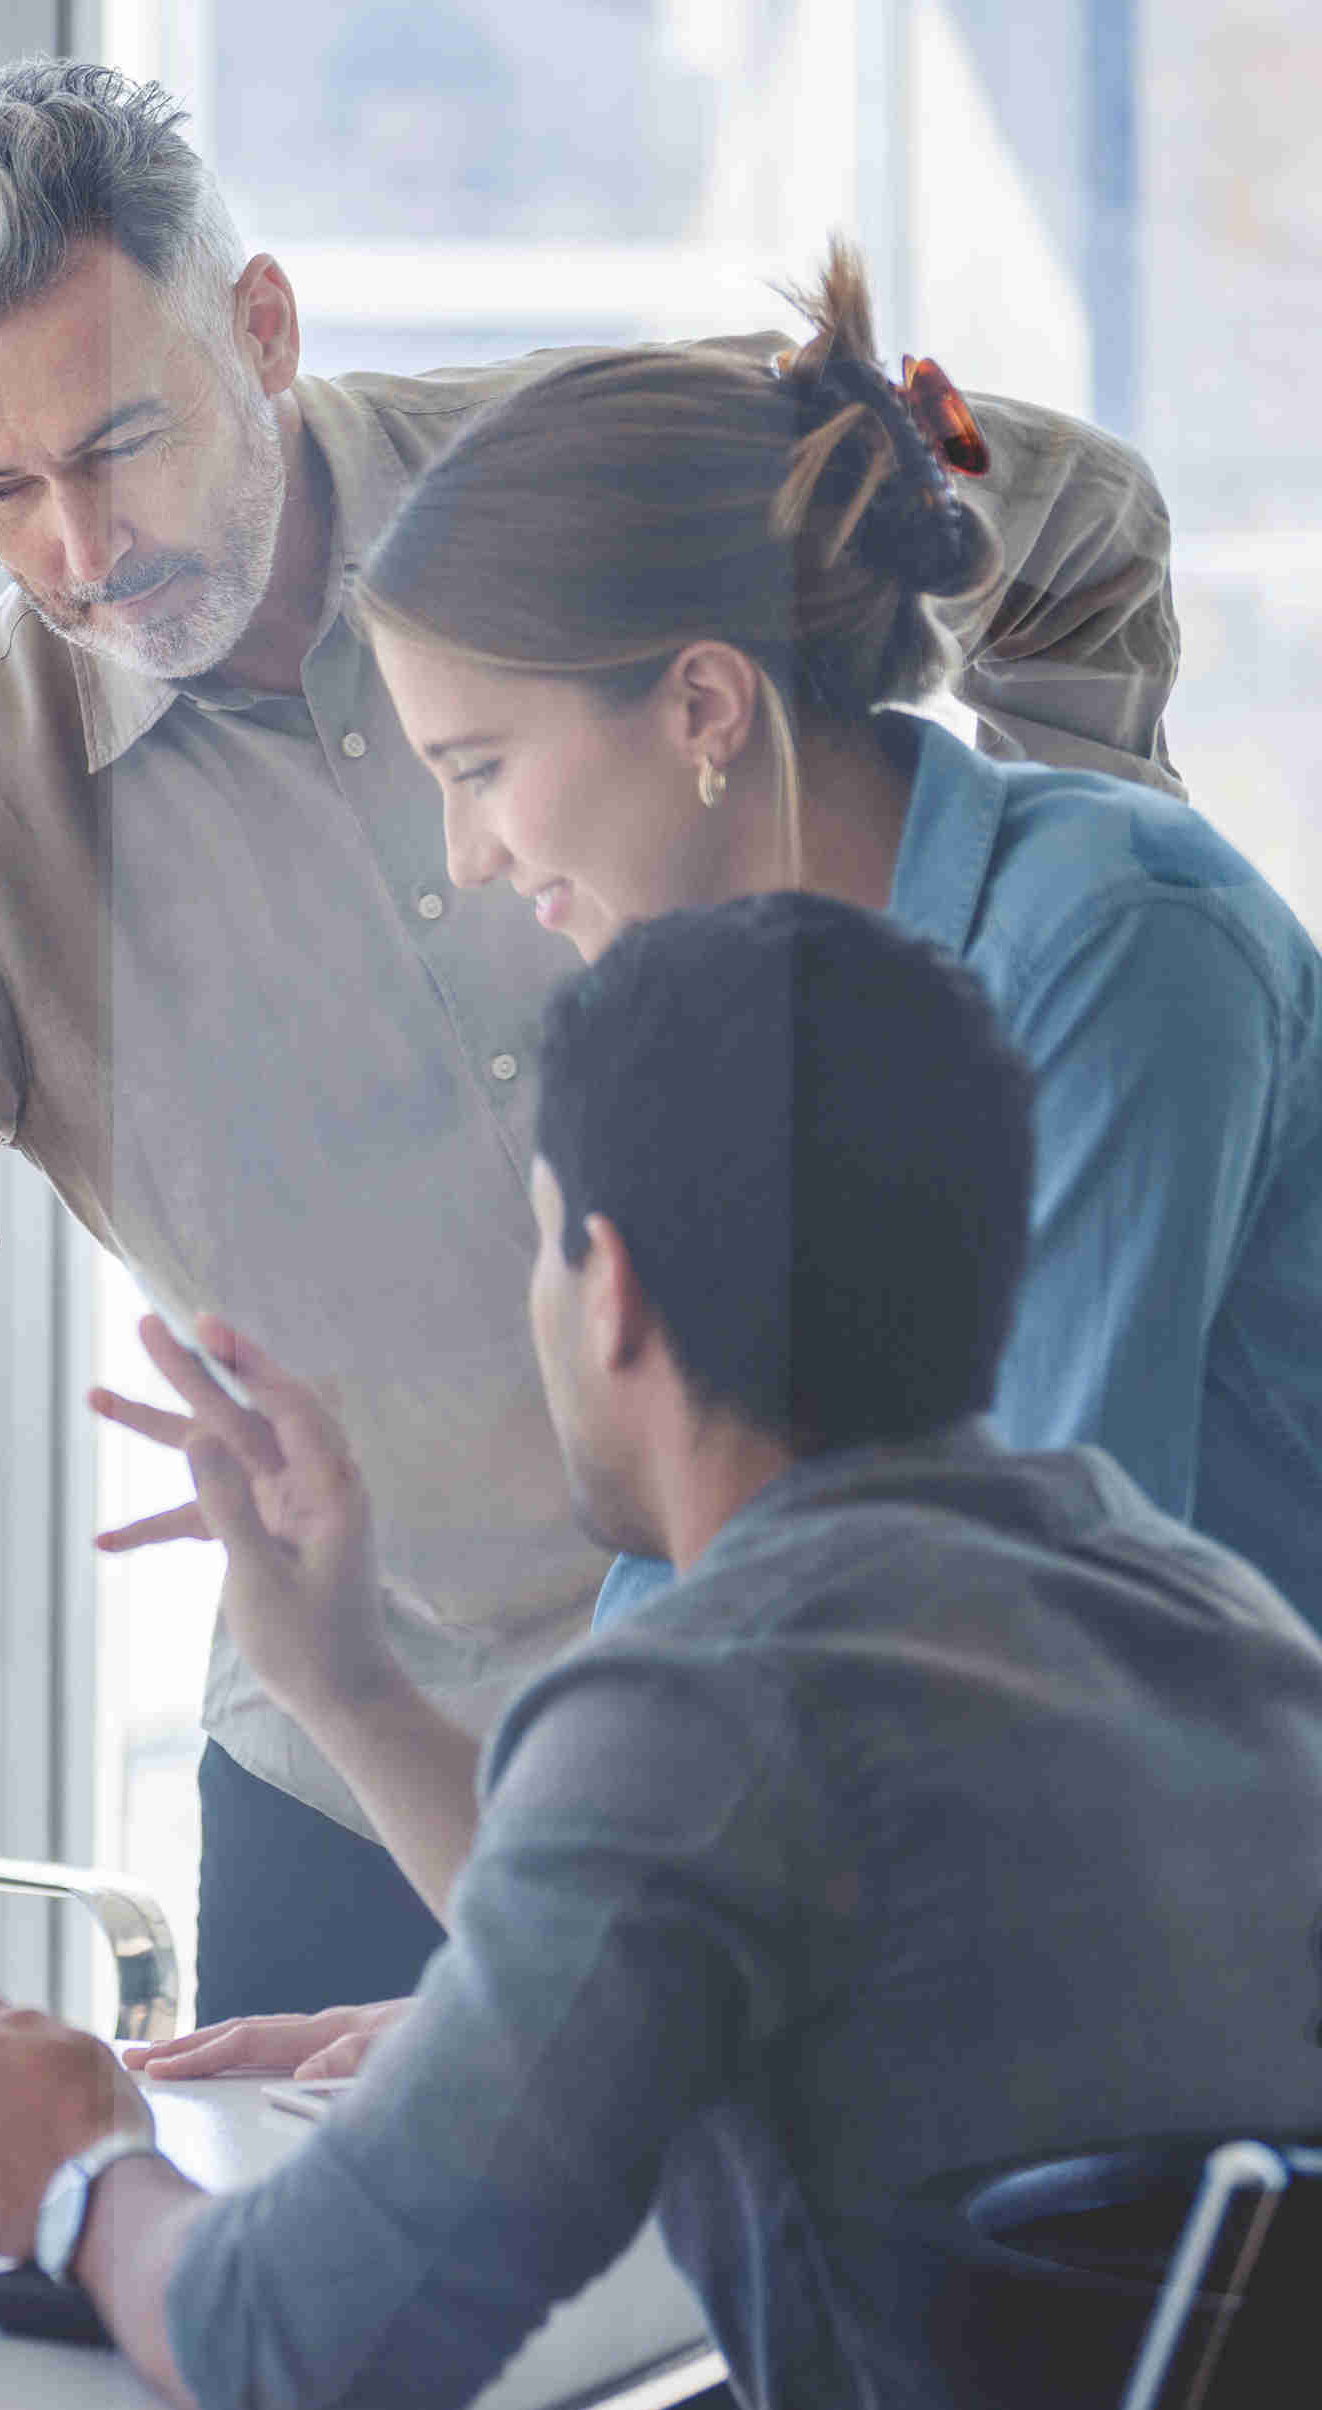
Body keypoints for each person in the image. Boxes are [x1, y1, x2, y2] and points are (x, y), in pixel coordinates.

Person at [0, 65, 1190, 2042]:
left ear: (265, 330)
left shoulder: (590, 490)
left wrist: (1036, 922)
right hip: (373, 1775)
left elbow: (1057, 493)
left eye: (118, 443)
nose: (78, 549)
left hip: (821, 1698)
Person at [122, 241, 1322, 2081]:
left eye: (483, 763)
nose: (465, 855)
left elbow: (1007, 1648)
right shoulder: (745, 1044)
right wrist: (489, 1994)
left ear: (701, 711)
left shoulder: (1128, 948)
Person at [0, 895, 1322, 2410]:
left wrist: (77, 2176)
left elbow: (297, 2344)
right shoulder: (1228, 1636)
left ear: (614, 1285)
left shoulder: (710, 1707)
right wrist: (348, 1676)